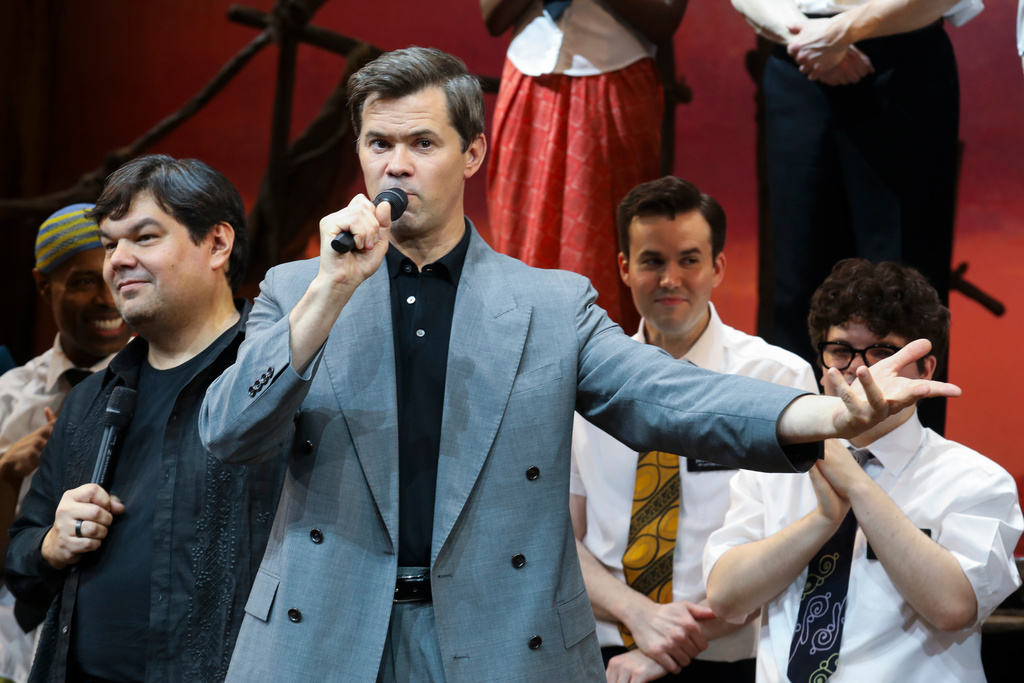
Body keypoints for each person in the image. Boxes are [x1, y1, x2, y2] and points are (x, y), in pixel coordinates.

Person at [199, 47, 959, 682]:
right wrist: (328, 292)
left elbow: (664, 395)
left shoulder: (549, 305)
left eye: (422, 144)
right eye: (378, 144)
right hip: (325, 632)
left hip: (499, 636)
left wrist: (830, 412)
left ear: (472, 153)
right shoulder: (297, 292)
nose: (396, 167)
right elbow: (230, 433)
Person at [5, 156, 286, 683]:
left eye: (145, 237)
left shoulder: (279, 380)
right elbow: (21, 560)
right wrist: (51, 544)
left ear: (217, 244)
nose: (118, 260)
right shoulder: (90, 398)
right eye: (110, 244)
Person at [704, 259, 1023, 682]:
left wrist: (854, 481)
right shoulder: (775, 466)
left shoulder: (975, 479)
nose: (859, 371)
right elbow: (724, 597)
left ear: (926, 369)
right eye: (840, 351)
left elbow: (955, 607)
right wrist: (823, 520)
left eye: (881, 352)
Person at [570, 177, 818, 683]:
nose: (670, 279)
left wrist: (670, 643)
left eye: (689, 260)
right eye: (652, 261)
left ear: (718, 267)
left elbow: (793, 545)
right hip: (605, 658)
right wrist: (639, 614)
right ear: (624, 267)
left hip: (731, 658)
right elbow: (558, 537)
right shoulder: (581, 383)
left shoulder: (777, 381)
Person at [731, 0, 983, 432]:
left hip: (899, 57)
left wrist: (842, 31)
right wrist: (810, 40)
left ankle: (904, 466)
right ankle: (798, 457)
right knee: (794, 288)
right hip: (797, 56)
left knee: (905, 293)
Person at [482, 0, 688, 330]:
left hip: (613, 81)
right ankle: (522, 351)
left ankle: (603, 358)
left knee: (600, 249)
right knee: (521, 244)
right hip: (529, 80)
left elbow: (664, 18)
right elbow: (492, 17)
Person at [0, 204, 131, 683]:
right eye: (83, 281)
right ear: (43, 285)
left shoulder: (158, 392)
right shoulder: (10, 396)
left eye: (112, 274)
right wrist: (6, 472)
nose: (106, 298)